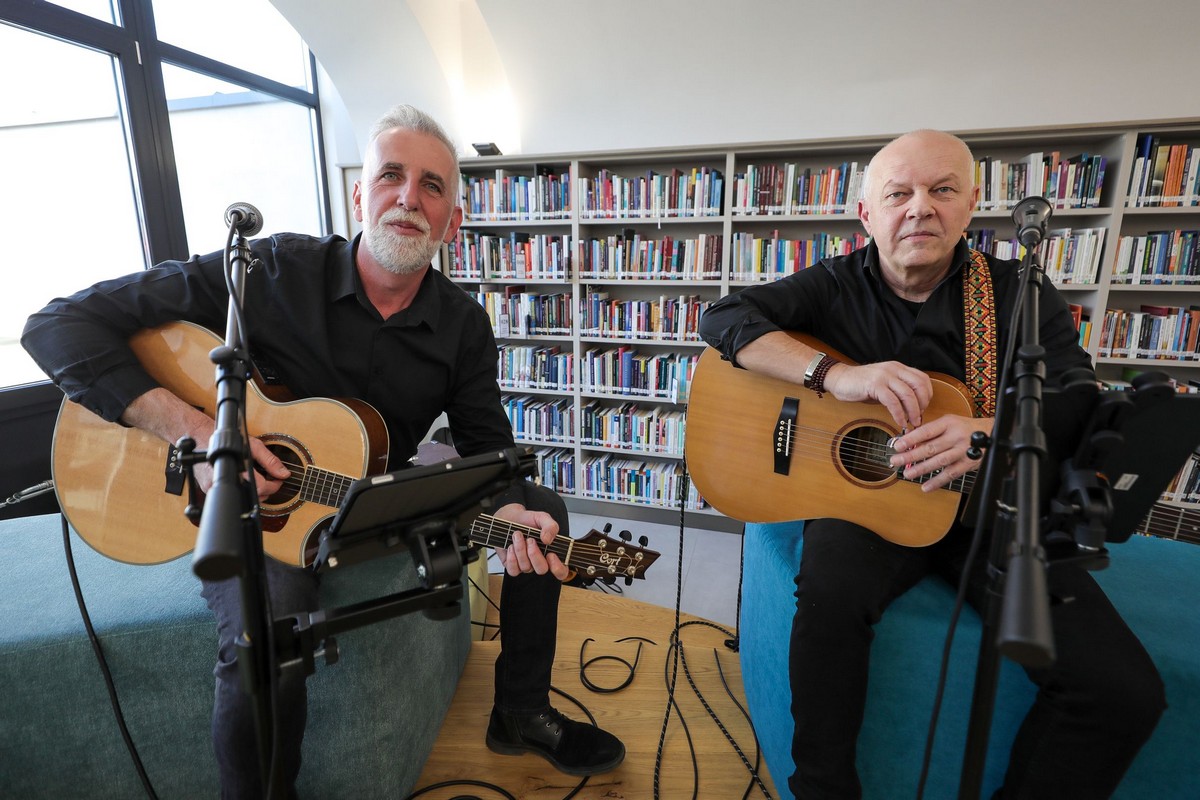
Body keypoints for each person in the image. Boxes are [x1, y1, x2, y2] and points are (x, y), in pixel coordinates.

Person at [22, 104, 624, 797]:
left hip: (365, 498)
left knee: (542, 506)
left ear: (453, 222)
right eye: (391, 176)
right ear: (360, 196)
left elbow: (490, 449)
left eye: (433, 186)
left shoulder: (463, 326)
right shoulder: (270, 270)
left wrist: (514, 512)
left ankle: (520, 711)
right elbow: (58, 324)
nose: (409, 197)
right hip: (237, 507)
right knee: (268, 620)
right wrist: (190, 426)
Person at [698, 130, 1164, 799]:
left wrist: (988, 429)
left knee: (1123, 691)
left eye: (941, 190)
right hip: (868, 505)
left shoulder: (1017, 290)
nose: (919, 208)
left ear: (970, 206)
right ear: (867, 214)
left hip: (989, 505)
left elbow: (1078, 399)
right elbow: (724, 321)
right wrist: (836, 375)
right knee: (828, 596)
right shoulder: (832, 283)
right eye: (899, 193)